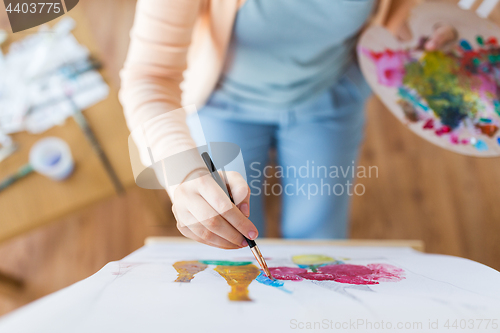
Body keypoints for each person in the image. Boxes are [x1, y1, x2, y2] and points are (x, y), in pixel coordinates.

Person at [120, 0, 457, 249]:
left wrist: (426, 28)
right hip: (220, 102)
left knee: (321, 243)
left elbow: (399, 16)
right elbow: (149, 78)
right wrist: (185, 174)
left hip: (329, 97)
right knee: (232, 242)